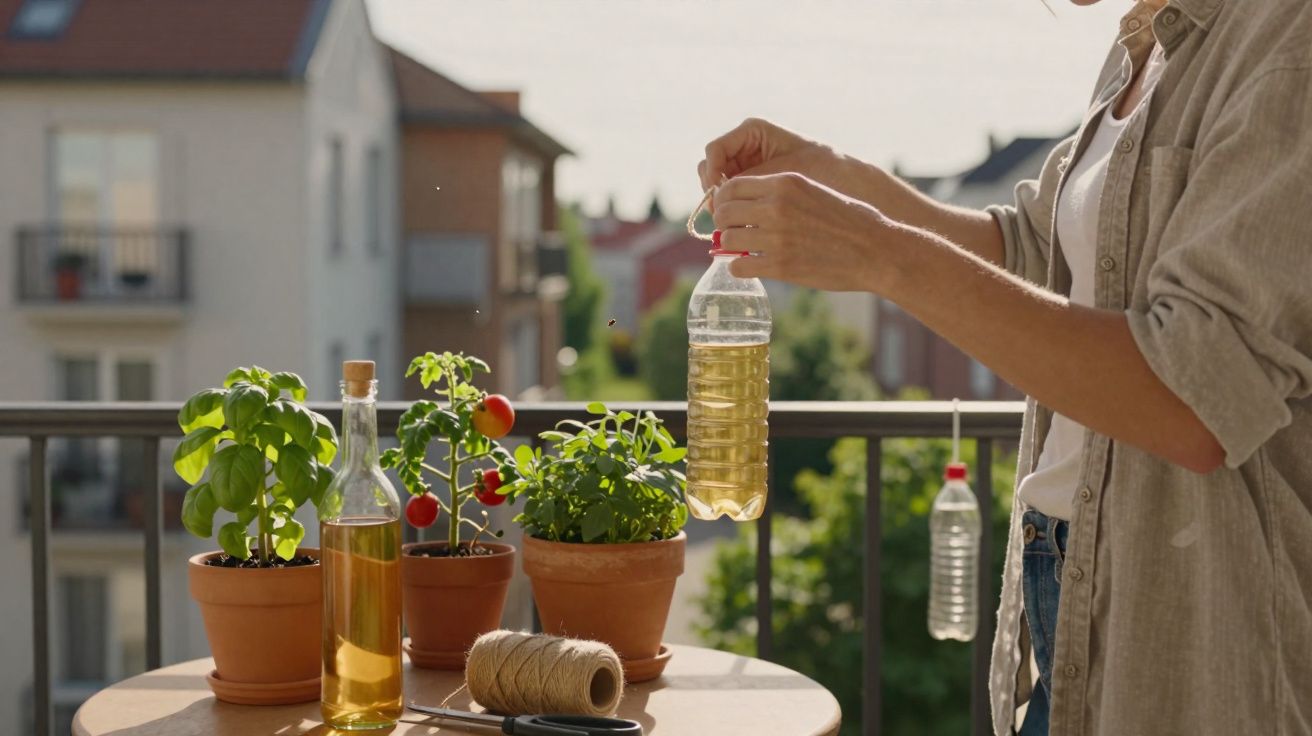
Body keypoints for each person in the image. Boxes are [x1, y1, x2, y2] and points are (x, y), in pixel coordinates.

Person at [697, 1, 1312, 734]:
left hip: (1191, 621)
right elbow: (1028, 250)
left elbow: (1194, 399)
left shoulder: (1286, 38)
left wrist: (881, 255)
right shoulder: (1141, 46)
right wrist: (840, 176)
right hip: (1063, 581)